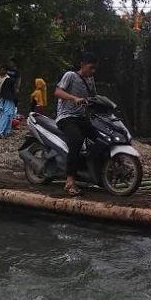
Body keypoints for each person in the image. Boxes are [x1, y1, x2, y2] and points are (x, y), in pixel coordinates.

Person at [54, 53, 99, 197]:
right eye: (91, 68)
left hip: (81, 117)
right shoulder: (70, 76)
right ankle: (70, 181)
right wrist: (74, 98)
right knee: (76, 140)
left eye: (95, 69)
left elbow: (94, 97)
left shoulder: (91, 79)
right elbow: (57, 92)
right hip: (66, 117)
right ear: (83, 65)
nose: (93, 72)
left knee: (98, 138)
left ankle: (91, 171)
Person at [0, 65, 18, 138]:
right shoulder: (6, 92)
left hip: (10, 108)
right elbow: (1, 101)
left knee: (9, 120)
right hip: (6, 109)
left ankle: (7, 132)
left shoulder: (8, 91)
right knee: (4, 120)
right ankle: (0, 133)